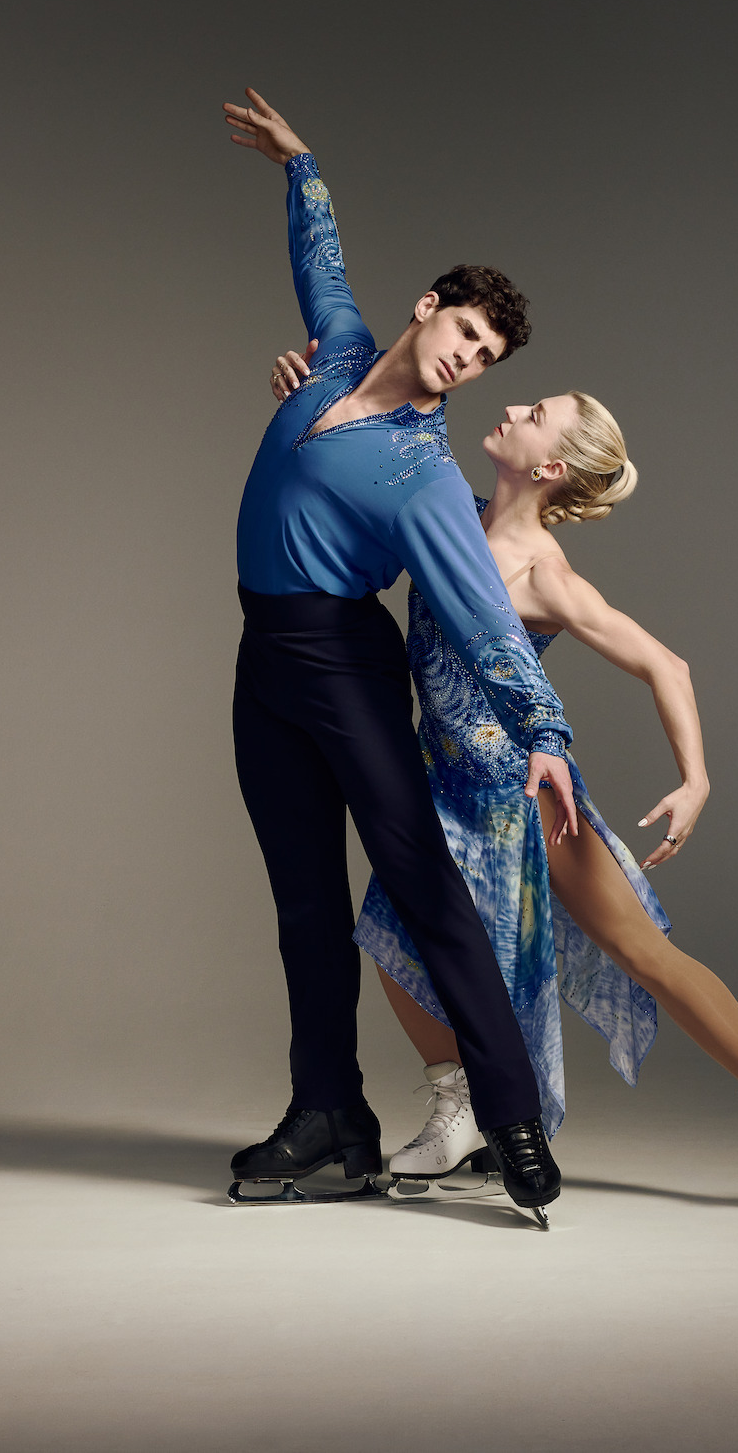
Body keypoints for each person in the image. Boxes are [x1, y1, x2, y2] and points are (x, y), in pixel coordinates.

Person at [268, 348, 738, 1221]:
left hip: (527, 803)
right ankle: (460, 1103)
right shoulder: (444, 516)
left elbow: (668, 664)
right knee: (388, 941)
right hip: (439, 789)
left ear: (549, 467)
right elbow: (351, 464)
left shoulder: (547, 574)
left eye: (535, 411)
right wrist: (312, 401)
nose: (511, 408)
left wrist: (695, 780)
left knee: (642, 954)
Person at [222, 88, 582, 1225]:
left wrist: (546, 733)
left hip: (345, 667)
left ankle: (513, 1119)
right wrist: (301, 164)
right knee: (301, 907)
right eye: (466, 334)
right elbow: (321, 263)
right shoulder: (331, 356)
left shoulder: (425, 475)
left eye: (487, 358)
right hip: (264, 661)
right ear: (426, 310)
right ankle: (329, 1115)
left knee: (423, 884)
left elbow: (481, 615)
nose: (469, 360)